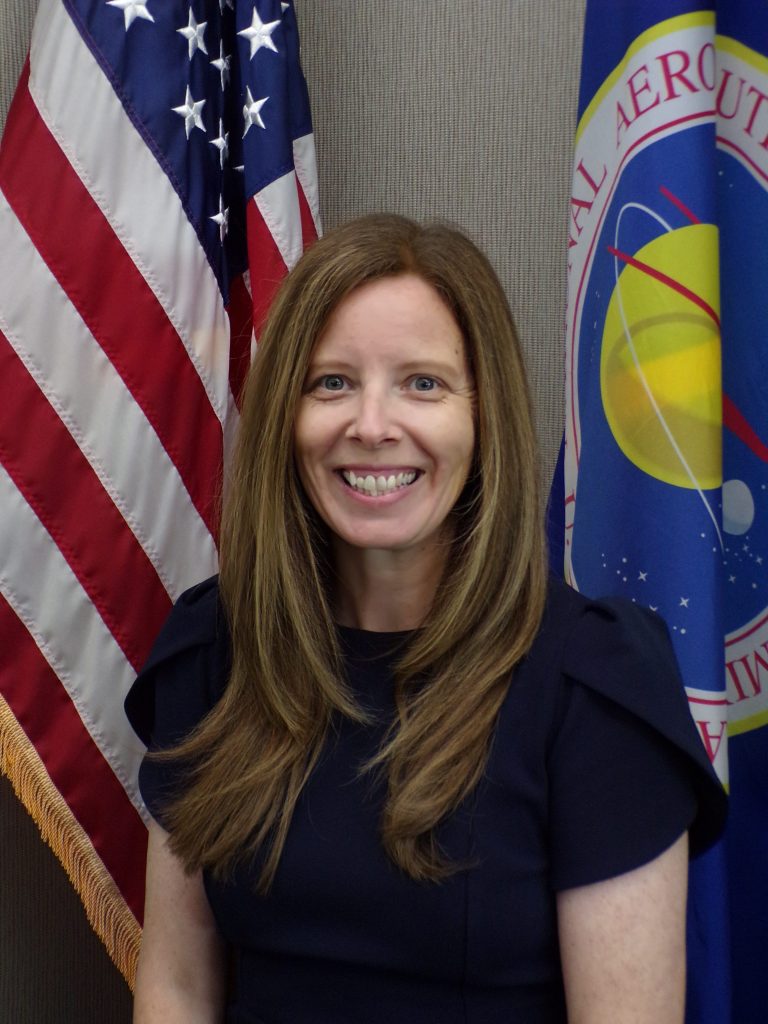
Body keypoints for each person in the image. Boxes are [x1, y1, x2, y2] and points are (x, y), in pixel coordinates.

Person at [125, 214, 726, 1023]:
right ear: (286, 418)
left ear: (485, 422)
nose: (371, 425)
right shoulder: (214, 653)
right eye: (331, 382)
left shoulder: (593, 686)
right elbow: (179, 988)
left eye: (423, 383)